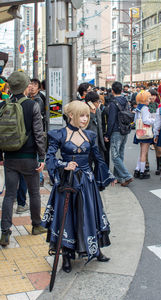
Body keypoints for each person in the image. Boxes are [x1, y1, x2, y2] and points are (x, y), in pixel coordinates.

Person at [41, 101, 116, 273]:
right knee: (67, 217)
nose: (85, 119)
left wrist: (107, 176)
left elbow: (98, 158)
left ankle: (96, 249)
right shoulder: (58, 135)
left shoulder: (90, 135)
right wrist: (63, 165)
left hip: (86, 184)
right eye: (81, 115)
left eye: (87, 116)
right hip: (67, 183)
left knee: (91, 215)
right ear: (71, 116)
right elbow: (50, 158)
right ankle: (67, 256)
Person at [0, 71, 46, 246]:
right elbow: (38, 133)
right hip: (28, 157)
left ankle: (5, 232)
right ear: (26, 86)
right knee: (34, 192)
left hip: (10, 158)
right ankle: (36, 225)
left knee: (9, 195)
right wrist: (41, 156)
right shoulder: (31, 105)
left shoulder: (3, 105)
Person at [104, 81, 133, 187]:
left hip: (116, 130)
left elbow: (111, 120)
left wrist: (107, 134)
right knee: (120, 154)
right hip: (125, 129)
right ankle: (119, 177)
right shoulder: (125, 101)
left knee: (115, 156)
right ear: (121, 90)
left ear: (112, 91)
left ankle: (126, 176)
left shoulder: (113, 103)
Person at [133, 91, 155, 179]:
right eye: (149, 98)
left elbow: (135, 120)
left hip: (139, 131)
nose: (150, 100)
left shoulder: (138, 107)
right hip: (145, 132)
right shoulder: (145, 108)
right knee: (144, 152)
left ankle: (137, 169)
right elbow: (146, 120)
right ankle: (142, 172)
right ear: (145, 99)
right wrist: (153, 120)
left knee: (141, 152)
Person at [29, 78, 45, 186]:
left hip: (36, 131)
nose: (32, 86)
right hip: (32, 131)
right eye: (31, 84)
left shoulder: (38, 100)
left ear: (39, 88)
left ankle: (39, 178)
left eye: (35, 85)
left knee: (37, 156)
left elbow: (34, 117)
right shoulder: (29, 98)